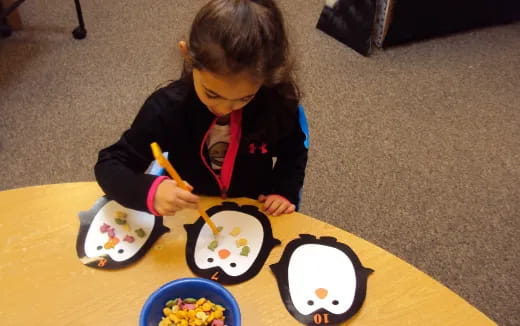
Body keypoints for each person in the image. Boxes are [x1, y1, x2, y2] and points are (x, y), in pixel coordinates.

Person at [95, 0, 309, 217]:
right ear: (187, 55)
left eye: (245, 98)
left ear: (268, 77)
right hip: (190, 209)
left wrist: (283, 191)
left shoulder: (275, 103)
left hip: (252, 207)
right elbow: (110, 164)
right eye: (212, 94)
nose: (224, 109)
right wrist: (150, 190)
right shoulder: (167, 108)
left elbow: (294, 153)